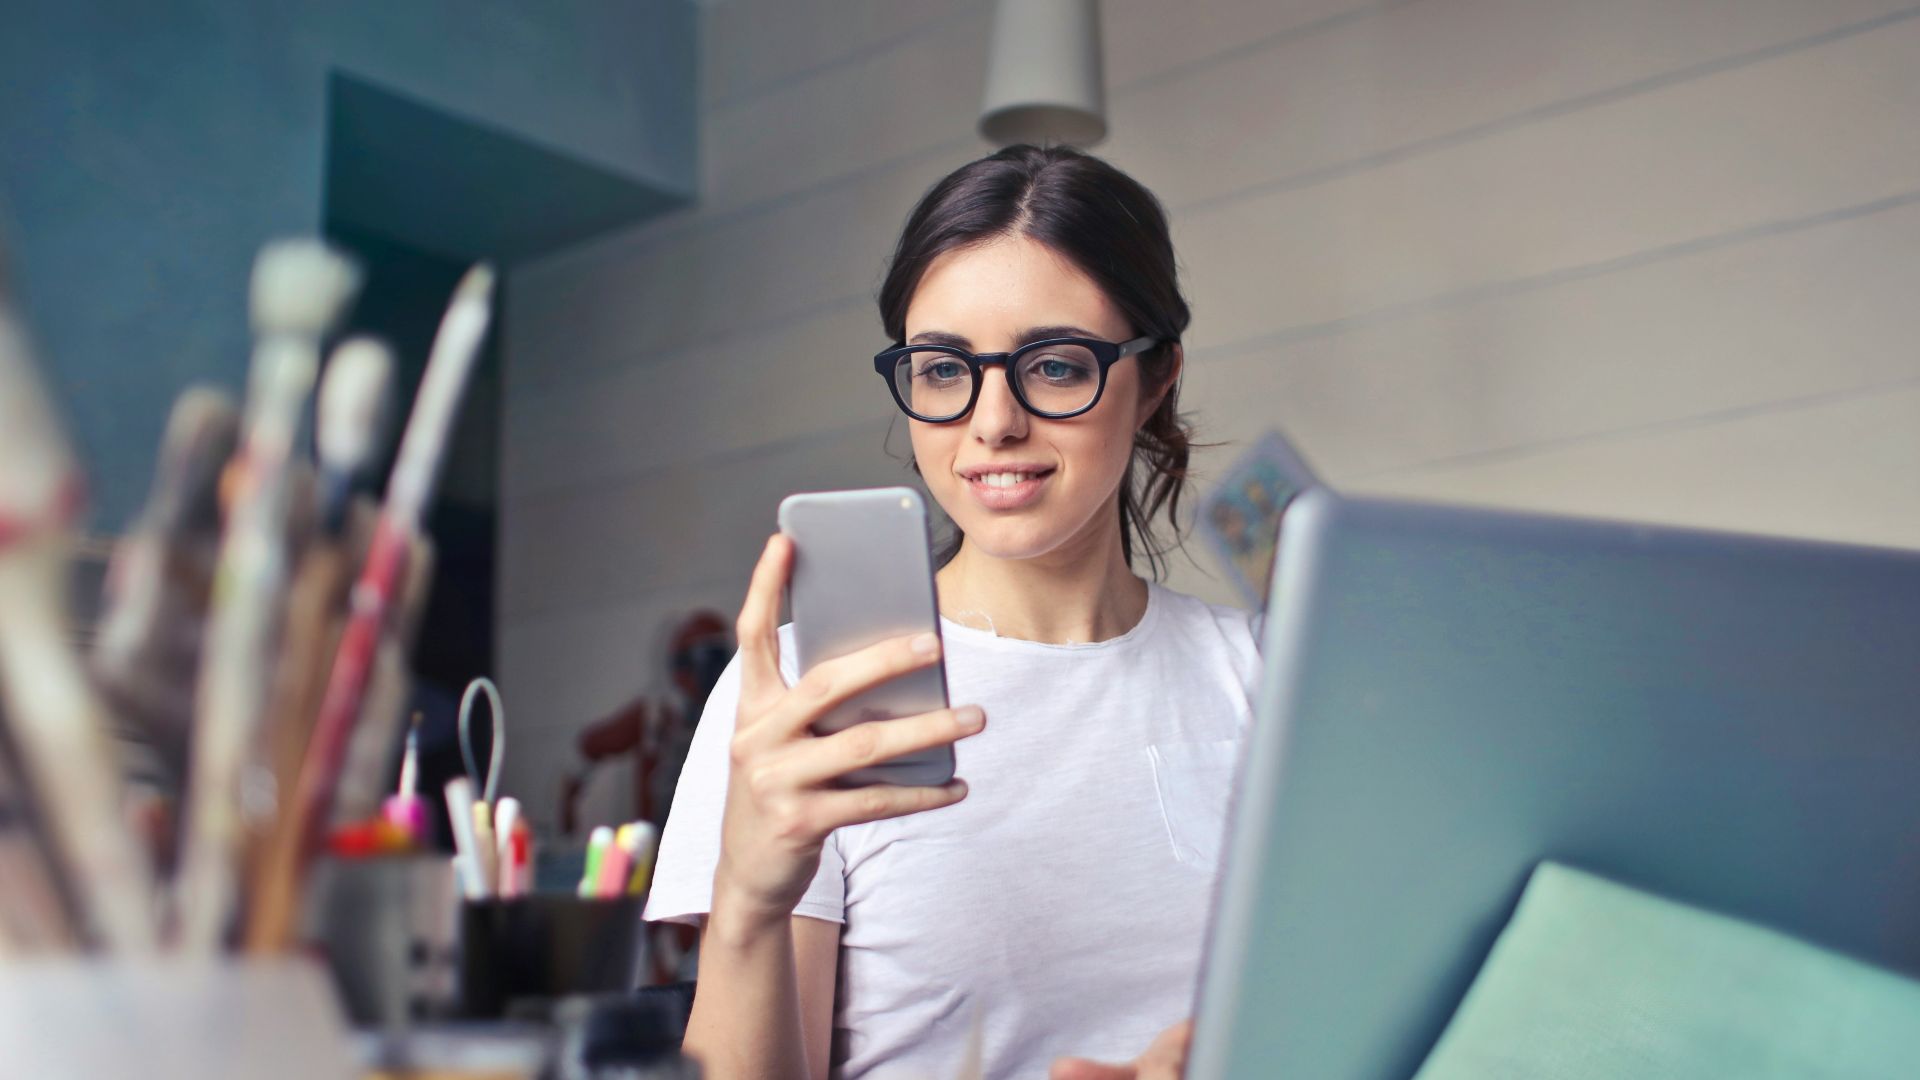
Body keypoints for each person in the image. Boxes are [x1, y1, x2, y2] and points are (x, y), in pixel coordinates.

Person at [644, 144, 1260, 1080]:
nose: (992, 423)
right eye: (942, 370)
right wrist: (746, 907)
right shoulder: (811, 693)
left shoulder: (1267, 677)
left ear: (1156, 377)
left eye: (1053, 366)